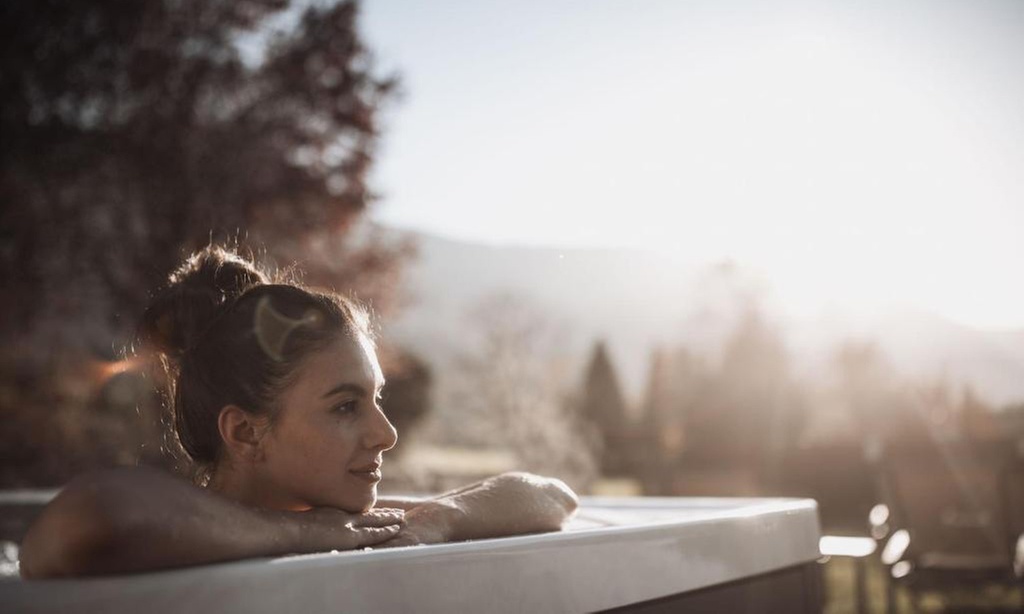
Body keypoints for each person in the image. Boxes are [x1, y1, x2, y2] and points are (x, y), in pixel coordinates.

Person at [19, 246, 578, 579]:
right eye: (344, 406)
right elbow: (90, 516)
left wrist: (440, 517)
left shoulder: (343, 524)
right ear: (245, 433)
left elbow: (552, 497)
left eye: (376, 398)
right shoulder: (170, 535)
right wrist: (299, 532)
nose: (385, 433)